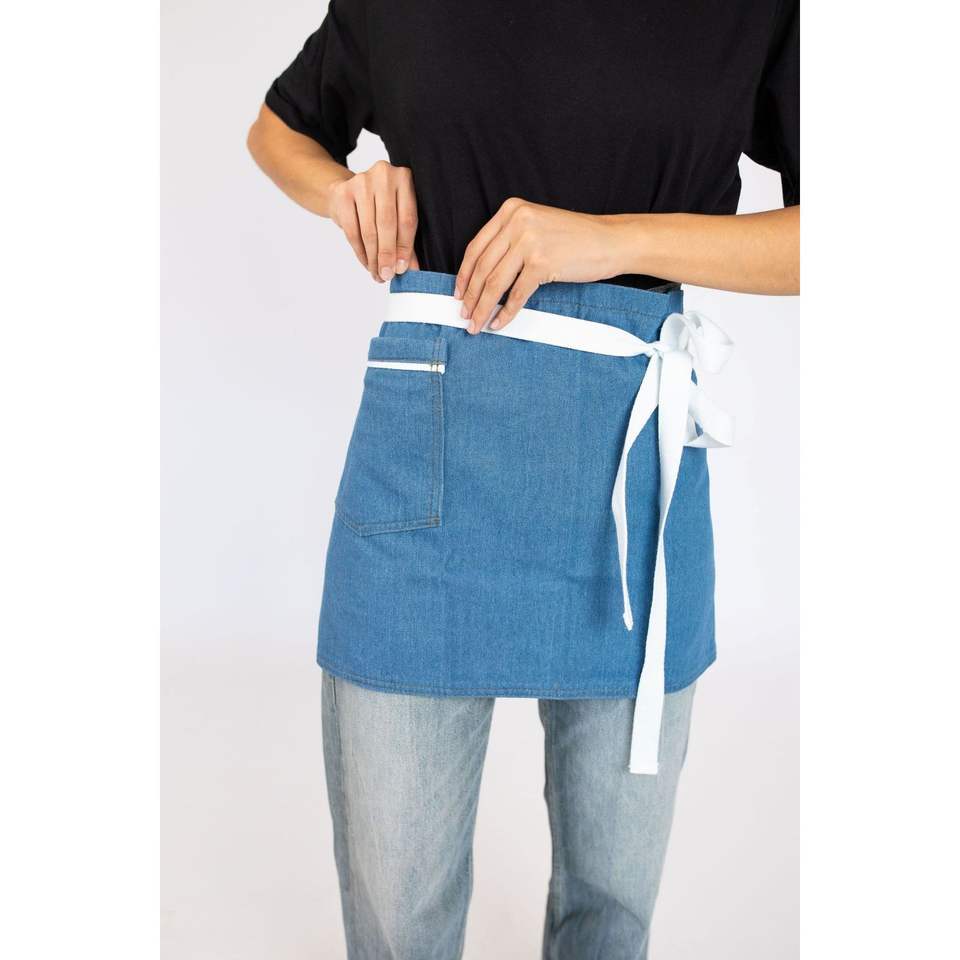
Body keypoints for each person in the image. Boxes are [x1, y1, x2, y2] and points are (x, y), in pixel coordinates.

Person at [248, 2, 798, 956]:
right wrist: (347, 192)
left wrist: (612, 240)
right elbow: (278, 130)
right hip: (424, 464)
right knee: (395, 913)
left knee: (611, 909)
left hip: (634, 479)